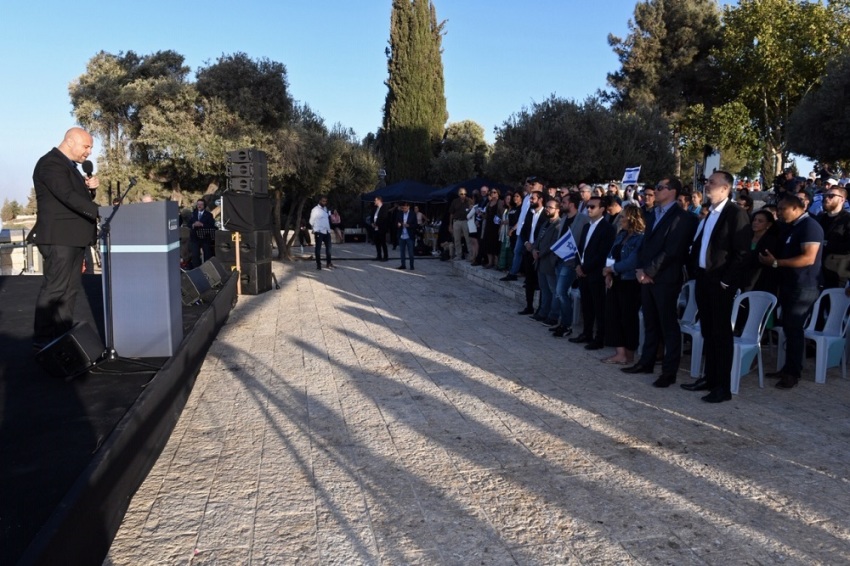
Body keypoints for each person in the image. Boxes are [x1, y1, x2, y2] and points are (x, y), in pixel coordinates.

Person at [681, 171, 752, 403]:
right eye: (707, 182)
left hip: (720, 283)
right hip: (704, 279)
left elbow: (742, 253)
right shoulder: (710, 213)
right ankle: (710, 378)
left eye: (712, 183)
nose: (707, 185)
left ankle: (723, 387)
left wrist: (726, 281)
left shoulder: (736, 214)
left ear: (725, 188)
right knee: (708, 331)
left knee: (721, 335)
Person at [622, 177, 699, 387]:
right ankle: (646, 362)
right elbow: (645, 246)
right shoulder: (652, 213)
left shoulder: (684, 218)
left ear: (672, 191)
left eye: (659, 187)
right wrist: (640, 269)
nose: (655, 191)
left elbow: (672, 250)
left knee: (668, 325)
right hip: (646, 276)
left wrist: (649, 271)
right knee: (650, 321)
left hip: (665, 278)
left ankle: (669, 371)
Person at [30, 127, 100, 351]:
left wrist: (91, 191)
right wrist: (100, 211)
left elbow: (75, 197)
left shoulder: (71, 167)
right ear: (70, 142)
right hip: (58, 238)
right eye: (86, 146)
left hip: (74, 237)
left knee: (70, 289)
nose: (89, 152)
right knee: (55, 288)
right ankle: (42, 339)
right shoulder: (51, 163)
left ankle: (61, 335)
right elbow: (67, 196)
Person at [760, 194, 824, 389]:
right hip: (790, 284)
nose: (779, 213)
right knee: (788, 327)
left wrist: (777, 263)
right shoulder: (791, 227)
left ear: (797, 209)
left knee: (794, 328)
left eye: (783, 209)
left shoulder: (810, 227)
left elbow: (808, 258)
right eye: (778, 210)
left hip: (804, 285)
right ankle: (788, 367)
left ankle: (793, 373)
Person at [569, 196, 616, 350]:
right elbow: (580, 248)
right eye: (588, 206)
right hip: (583, 272)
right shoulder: (586, 227)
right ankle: (586, 333)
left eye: (592, 207)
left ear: (602, 209)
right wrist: (578, 265)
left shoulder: (608, 229)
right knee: (586, 305)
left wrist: (585, 268)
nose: (588, 209)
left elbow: (602, 254)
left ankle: (599, 338)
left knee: (598, 306)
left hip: (595, 273)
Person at [601, 204, 645, 364]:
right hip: (616, 278)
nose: (621, 219)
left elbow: (632, 261)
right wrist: (609, 272)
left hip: (629, 281)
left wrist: (611, 269)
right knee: (613, 315)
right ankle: (619, 352)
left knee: (628, 318)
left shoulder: (640, 237)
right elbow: (612, 253)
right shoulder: (621, 235)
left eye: (624, 216)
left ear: (632, 218)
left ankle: (629, 353)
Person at [816, 185, 850, 288]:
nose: (826, 198)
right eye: (825, 195)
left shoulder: (847, 220)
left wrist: (826, 244)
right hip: (816, 272)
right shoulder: (820, 218)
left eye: (831, 196)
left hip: (837, 275)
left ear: (842, 199)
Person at [189, 198, 216, 268]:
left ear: (204, 205)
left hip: (205, 237)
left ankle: (208, 269)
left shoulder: (209, 215)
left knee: (207, 254)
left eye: (201, 204)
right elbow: (189, 224)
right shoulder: (193, 214)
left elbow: (212, 225)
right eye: (198, 204)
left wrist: (202, 224)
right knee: (195, 255)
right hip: (195, 238)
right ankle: (197, 270)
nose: (199, 206)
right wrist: (193, 224)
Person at [482, 188, 505, 269]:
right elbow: (486, 215)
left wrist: (501, 226)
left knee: (495, 244)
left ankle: (496, 263)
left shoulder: (500, 202)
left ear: (498, 193)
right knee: (487, 243)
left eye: (495, 192)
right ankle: (490, 262)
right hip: (488, 225)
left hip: (496, 226)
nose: (493, 194)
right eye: (491, 192)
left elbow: (502, 215)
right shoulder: (489, 203)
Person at [448, 188, 473, 260]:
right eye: (461, 194)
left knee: (468, 238)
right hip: (456, 221)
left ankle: (471, 255)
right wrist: (450, 224)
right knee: (457, 239)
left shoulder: (469, 200)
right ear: (459, 194)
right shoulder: (455, 201)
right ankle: (458, 255)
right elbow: (451, 214)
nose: (463, 195)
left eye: (464, 194)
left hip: (466, 221)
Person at [310, 195, 334, 270]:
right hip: (319, 232)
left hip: (327, 231)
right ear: (320, 201)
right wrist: (316, 229)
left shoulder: (326, 209)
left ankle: (328, 263)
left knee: (329, 248)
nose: (324, 202)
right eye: (323, 201)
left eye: (325, 201)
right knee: (318, 249)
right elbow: (311, 221)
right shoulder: (315, 210)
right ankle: (318, 265)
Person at [395, 201, 418, 270]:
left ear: (408, 207)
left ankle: (411, 265)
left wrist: (409, 225)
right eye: (403, 208)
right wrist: (398, 224)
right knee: (402, 252)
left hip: (409, 235)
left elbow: (415, 225)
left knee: (411, 252)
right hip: (401, 235)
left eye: (405, 208)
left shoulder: (412, 214)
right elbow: (396, 222)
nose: (404, 210)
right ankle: (403, 265)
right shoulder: (399, 213)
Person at [372, 196, 390, 261]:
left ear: (379, 200)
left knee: (383, 242)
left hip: (381, 228)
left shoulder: (384, 208)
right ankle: (378, 256)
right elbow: (373, 216)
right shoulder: (375, 208)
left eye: (375, 200)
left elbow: (383, 218)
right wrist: (373, 223)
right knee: (377, 243)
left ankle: (385, 256)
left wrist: (376, 224)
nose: (374, 201)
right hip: (375, 228)